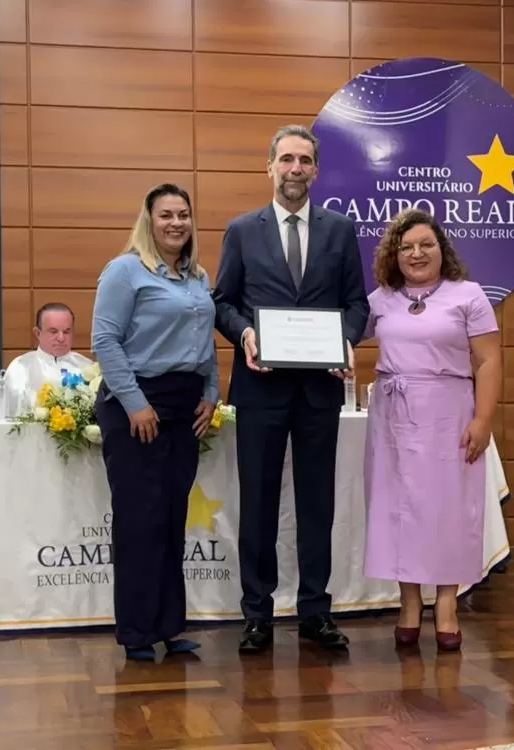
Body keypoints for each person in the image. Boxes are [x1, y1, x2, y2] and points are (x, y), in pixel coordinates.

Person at [213, 124, 370, 653]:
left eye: (304, 160)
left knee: (316, 504)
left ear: (316, 170)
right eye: (286, 159)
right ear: (270, 166)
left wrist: (346, 341)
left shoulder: (340, 230)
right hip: (259, 391)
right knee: (256, 503)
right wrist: (247, 333)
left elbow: (357, 305)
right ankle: (256, 614)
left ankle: (314, 612)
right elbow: (222, 303)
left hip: (319, 393)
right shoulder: (242, 230)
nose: (295, 168)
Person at [362, 208, 502, 652]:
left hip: (450, 414)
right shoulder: (381, 298)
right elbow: (343, 337)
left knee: (448, 511)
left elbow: (489, 360)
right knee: (400, 511)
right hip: (392, 416)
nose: (416, 253)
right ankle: (408, 605)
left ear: (442, 250)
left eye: (426, 244)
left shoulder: (469, 295)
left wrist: (483, 420)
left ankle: (446, 606)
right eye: (406, 247)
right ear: (394, 254)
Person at [91, 183, 218, 661]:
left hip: (185, 407)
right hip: (136, 407)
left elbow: (204, 345)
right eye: (166, 215)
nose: (176, 223)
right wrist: (134, 403)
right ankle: (137, 632)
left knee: (169, 521)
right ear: (149, 219)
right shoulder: (125, 271)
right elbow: (105, 340)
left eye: (183, 214)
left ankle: (169, 626)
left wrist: (210, 393)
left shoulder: (197, 277)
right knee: (139, 522)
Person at [5, 303, 94, 417]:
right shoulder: (20, 367)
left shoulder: (87, 367)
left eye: (66, 332)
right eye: (53, 331)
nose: (61, 338)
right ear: (37, 333)